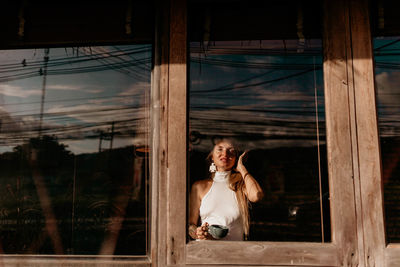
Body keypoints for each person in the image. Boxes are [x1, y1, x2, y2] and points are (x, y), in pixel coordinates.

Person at [188, 138, 264, 241]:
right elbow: (190, 225)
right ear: (212, 157)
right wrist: (198, 233)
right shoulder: (199, 187)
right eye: (220, 149)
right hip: (206, 251)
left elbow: (257, 196)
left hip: (233, 253)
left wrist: (241, 168)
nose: (225, 153)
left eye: (231, 150)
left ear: (236, 158)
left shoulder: (240, 184)